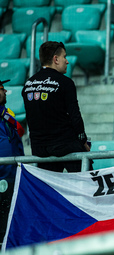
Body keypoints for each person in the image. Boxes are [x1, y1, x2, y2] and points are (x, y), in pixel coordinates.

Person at [22, 41, 91, 172]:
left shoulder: (28, 84)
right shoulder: (65, 83)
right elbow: (75, 116)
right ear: (56, 59)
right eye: (64, 57)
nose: (67, 61)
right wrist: (83, 141)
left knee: (48, 190)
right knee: (85, 184)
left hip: (40, 149)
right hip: (65, 145)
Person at [0, 80, 24, 244]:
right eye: (2, 89)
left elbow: (20, 130)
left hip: (13, 172)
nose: (5, 91)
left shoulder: (7, 113)